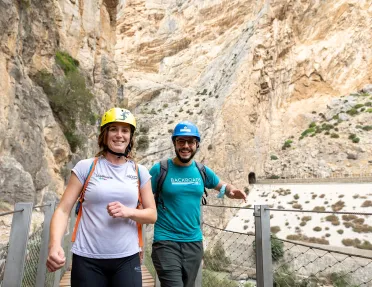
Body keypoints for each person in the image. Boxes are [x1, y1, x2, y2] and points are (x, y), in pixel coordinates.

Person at [46, 108, 157, 287]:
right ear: (104, 134)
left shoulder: (139, 171)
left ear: (131, 137)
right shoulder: (85, 167)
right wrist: (54, 245)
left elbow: (152, 214)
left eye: (125, 130)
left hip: (127, 259)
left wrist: (127, 212)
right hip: (87, 259)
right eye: (113, 129)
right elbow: (63, 210)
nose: (119, 135)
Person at [149, 121, 247, 287]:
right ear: (174, 143)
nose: (186, 146)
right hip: (165, 241)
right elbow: (141, 197)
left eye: (190, 142)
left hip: (193, 242)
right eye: (181, 141)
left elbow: (220, 185)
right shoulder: (160, 169)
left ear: (197, 145)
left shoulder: (201, 171)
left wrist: (231, 190)